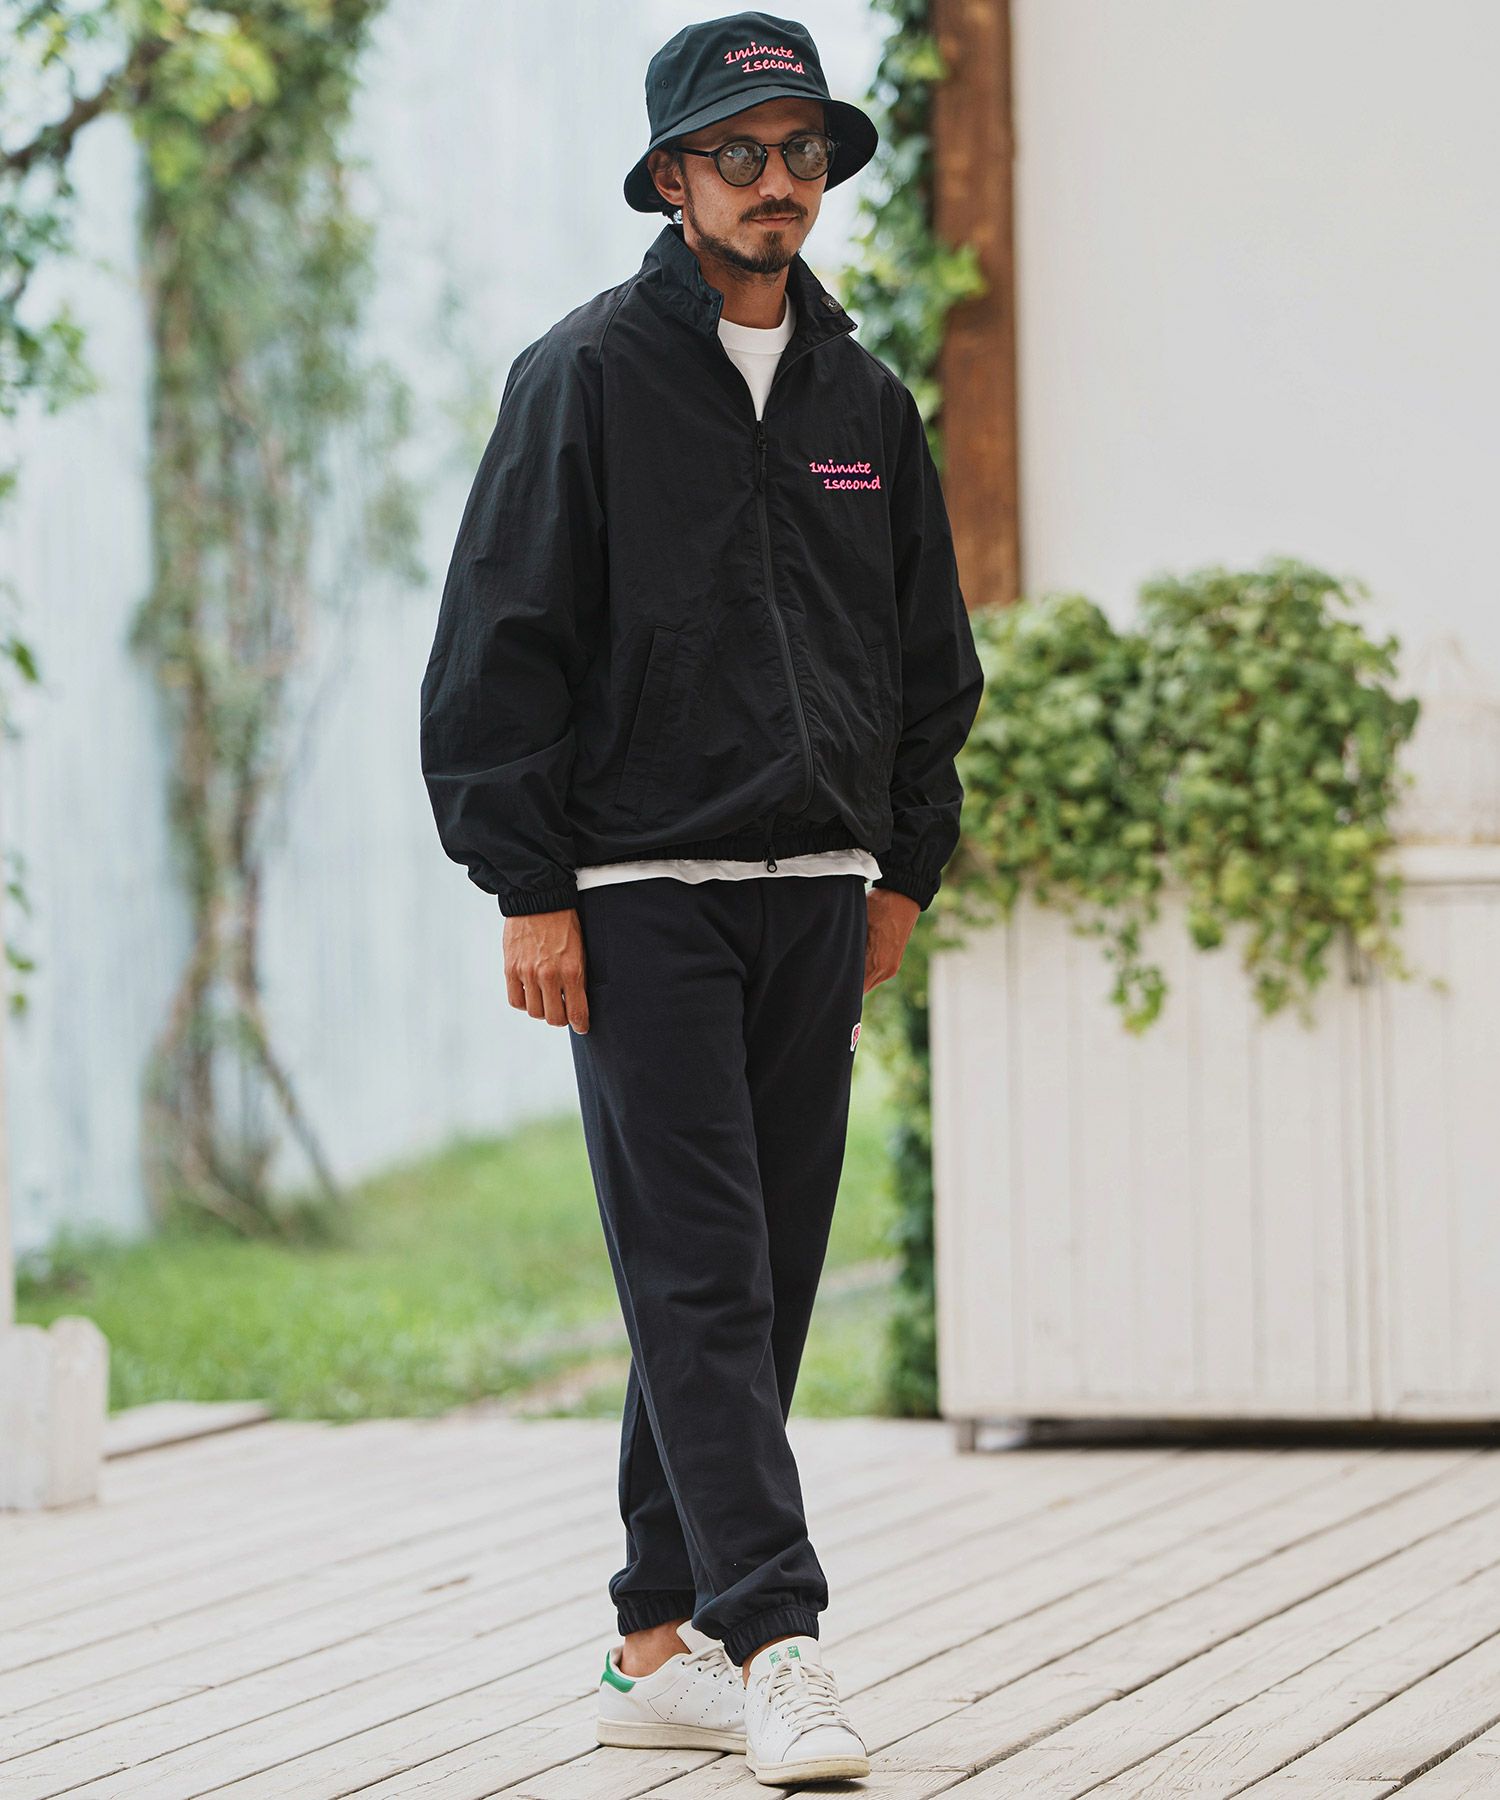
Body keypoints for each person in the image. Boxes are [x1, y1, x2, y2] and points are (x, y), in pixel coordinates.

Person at [419, 9, 984, 1786]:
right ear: (673, 180)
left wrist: (901, 866)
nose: (776, 183)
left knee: (764, 1278)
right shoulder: (585, 377)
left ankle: (656, 1646)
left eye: (801, 152)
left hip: (817, 894)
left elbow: (927, 661)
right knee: (702, 1274)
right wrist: (529, 886)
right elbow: (498, 647)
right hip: (638, 892)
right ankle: (781, 1635)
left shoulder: (863, 404)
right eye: (739, 154)